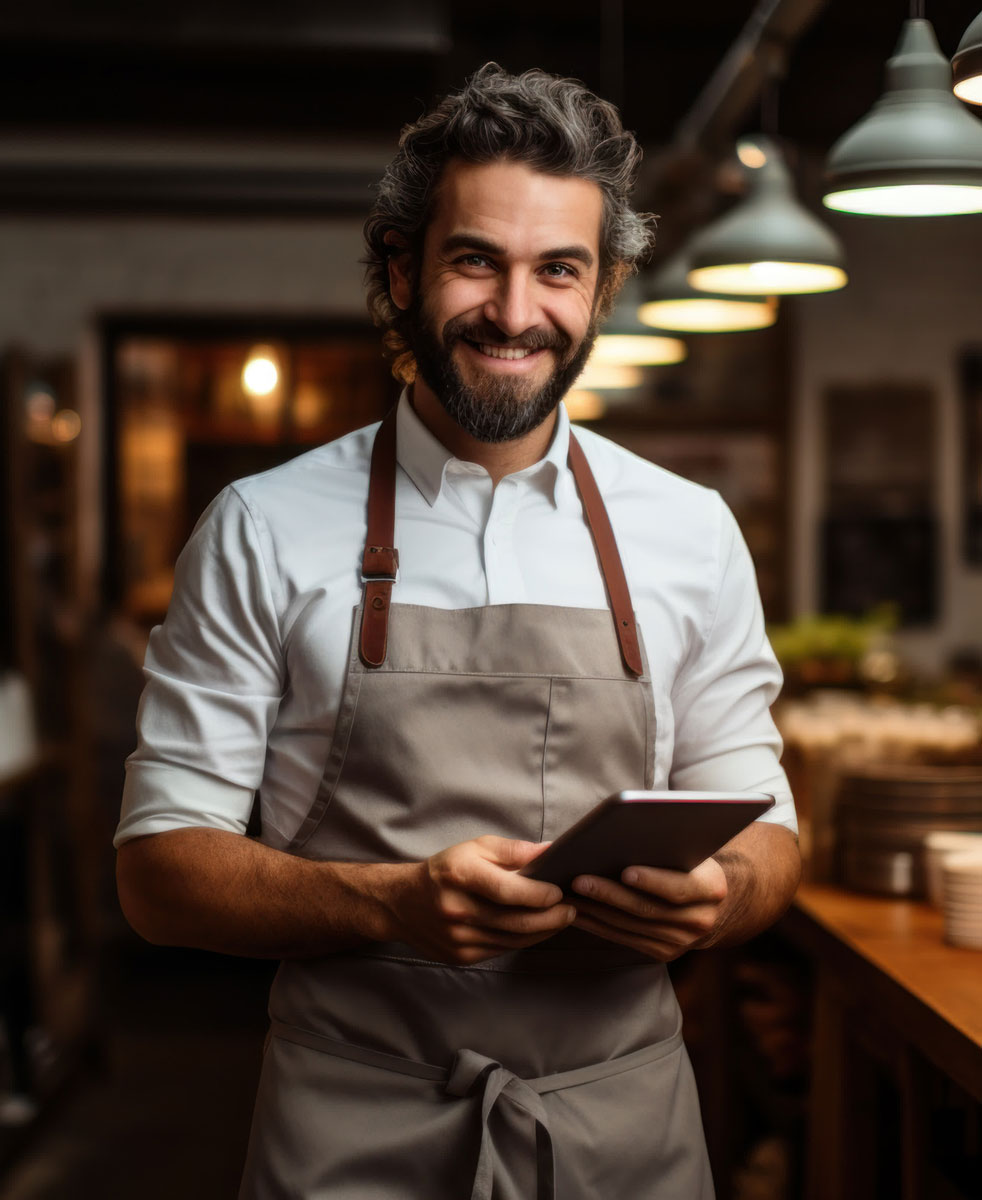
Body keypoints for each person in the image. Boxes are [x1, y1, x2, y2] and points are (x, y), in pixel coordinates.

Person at [116, 63, 800, 1200]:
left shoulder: (691, 531)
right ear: (401, 267)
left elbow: (772, 833)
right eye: (476, 258)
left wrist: (721, 894)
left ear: (605, 287)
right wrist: (388, 902)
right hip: (352, 1122)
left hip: (621, 1128)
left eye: (559, 271)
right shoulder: (260, 527)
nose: (516, 312)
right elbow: (160, 872)